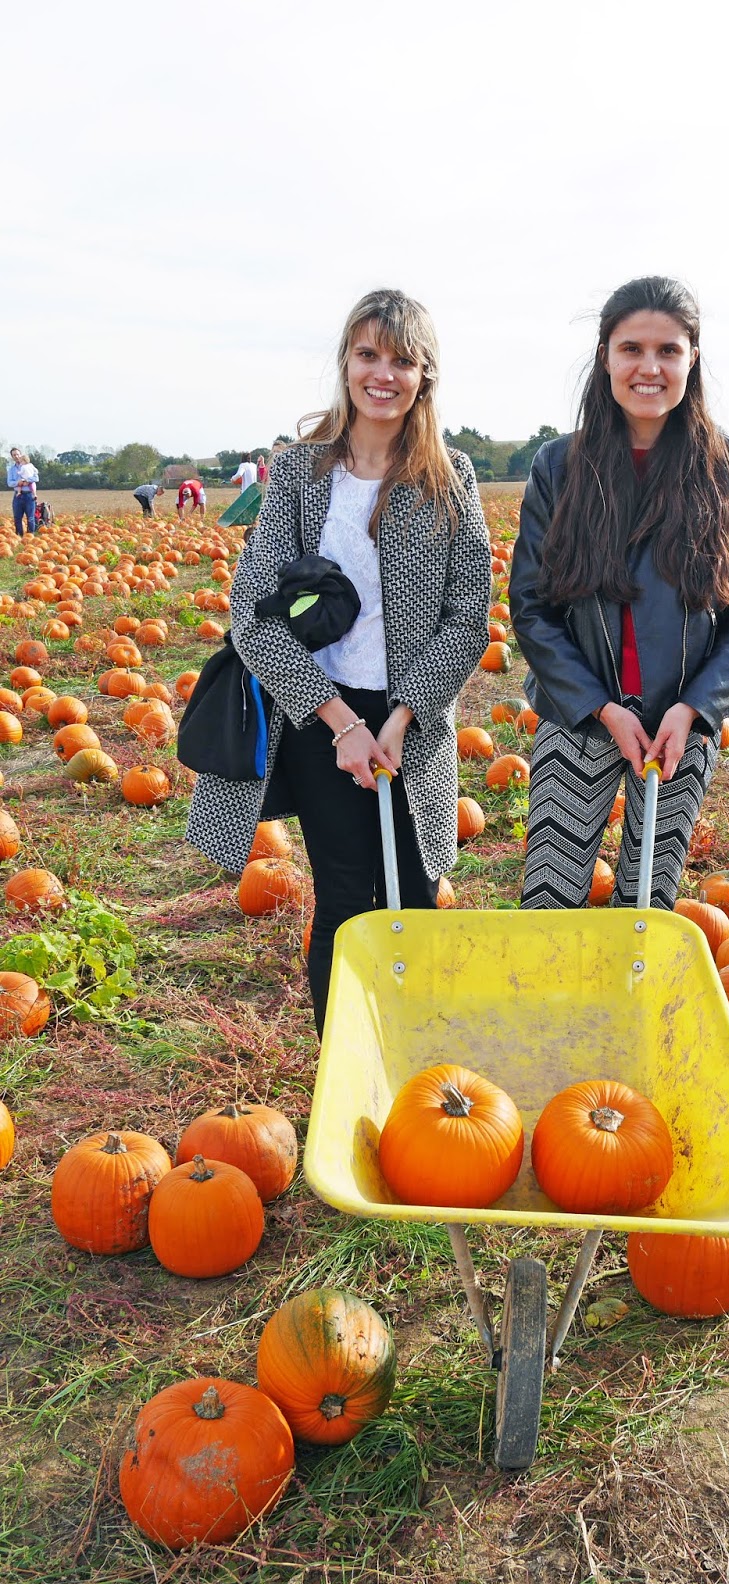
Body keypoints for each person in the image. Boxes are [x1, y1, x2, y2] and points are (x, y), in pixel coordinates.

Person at [185, 289, 492, 1036]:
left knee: (416, 893)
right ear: (346, 364)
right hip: (322, 715)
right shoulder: (296, 475)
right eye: (367, 355)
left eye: (401, 359)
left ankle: (422, 1063)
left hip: (413, 719)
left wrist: (404, 716)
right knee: (348, 897)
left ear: (425, 376)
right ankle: (346, 1069)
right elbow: (254, 615)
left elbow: (468, 613)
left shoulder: (451, 478)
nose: (382, 374)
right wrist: (343, 724)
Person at [510, 275, 729, 913]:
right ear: (606, 356)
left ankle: (626, 1013)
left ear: (692, 359)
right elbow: (533, 608)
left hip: (682, 724)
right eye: (632, 348)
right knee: (552, 901)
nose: (649, 367)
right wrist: (600, 707)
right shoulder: (560, 466)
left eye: (668, 350)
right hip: (579, 717)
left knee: (645, 907)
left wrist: (696, 708)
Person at [7, 447, 39, 536]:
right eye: (14, 455)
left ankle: (31, 536)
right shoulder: (11, 469)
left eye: (17, 454)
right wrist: (18, 482)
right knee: (17, 518)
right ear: (12, 457)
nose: (16, 456)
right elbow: (9, 483)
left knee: (31, 518)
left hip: (29, 495)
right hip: (18, 495)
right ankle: (19, 536)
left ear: (20, 455)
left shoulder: (29, 465)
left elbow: (36, 478)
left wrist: (27, 480)